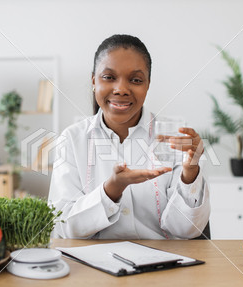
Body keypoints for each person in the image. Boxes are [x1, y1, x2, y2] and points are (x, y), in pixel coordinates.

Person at [49, 34, 210, 239]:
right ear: (93, 81)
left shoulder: (175, 138)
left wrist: (191, 174)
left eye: (135, 80)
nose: (121, 89)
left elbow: (186, 231)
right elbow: (62, 227)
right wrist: (111, 190)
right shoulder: (72, 139)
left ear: (147, 84)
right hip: (93, 266)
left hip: (162, 264)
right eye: (109, 77)